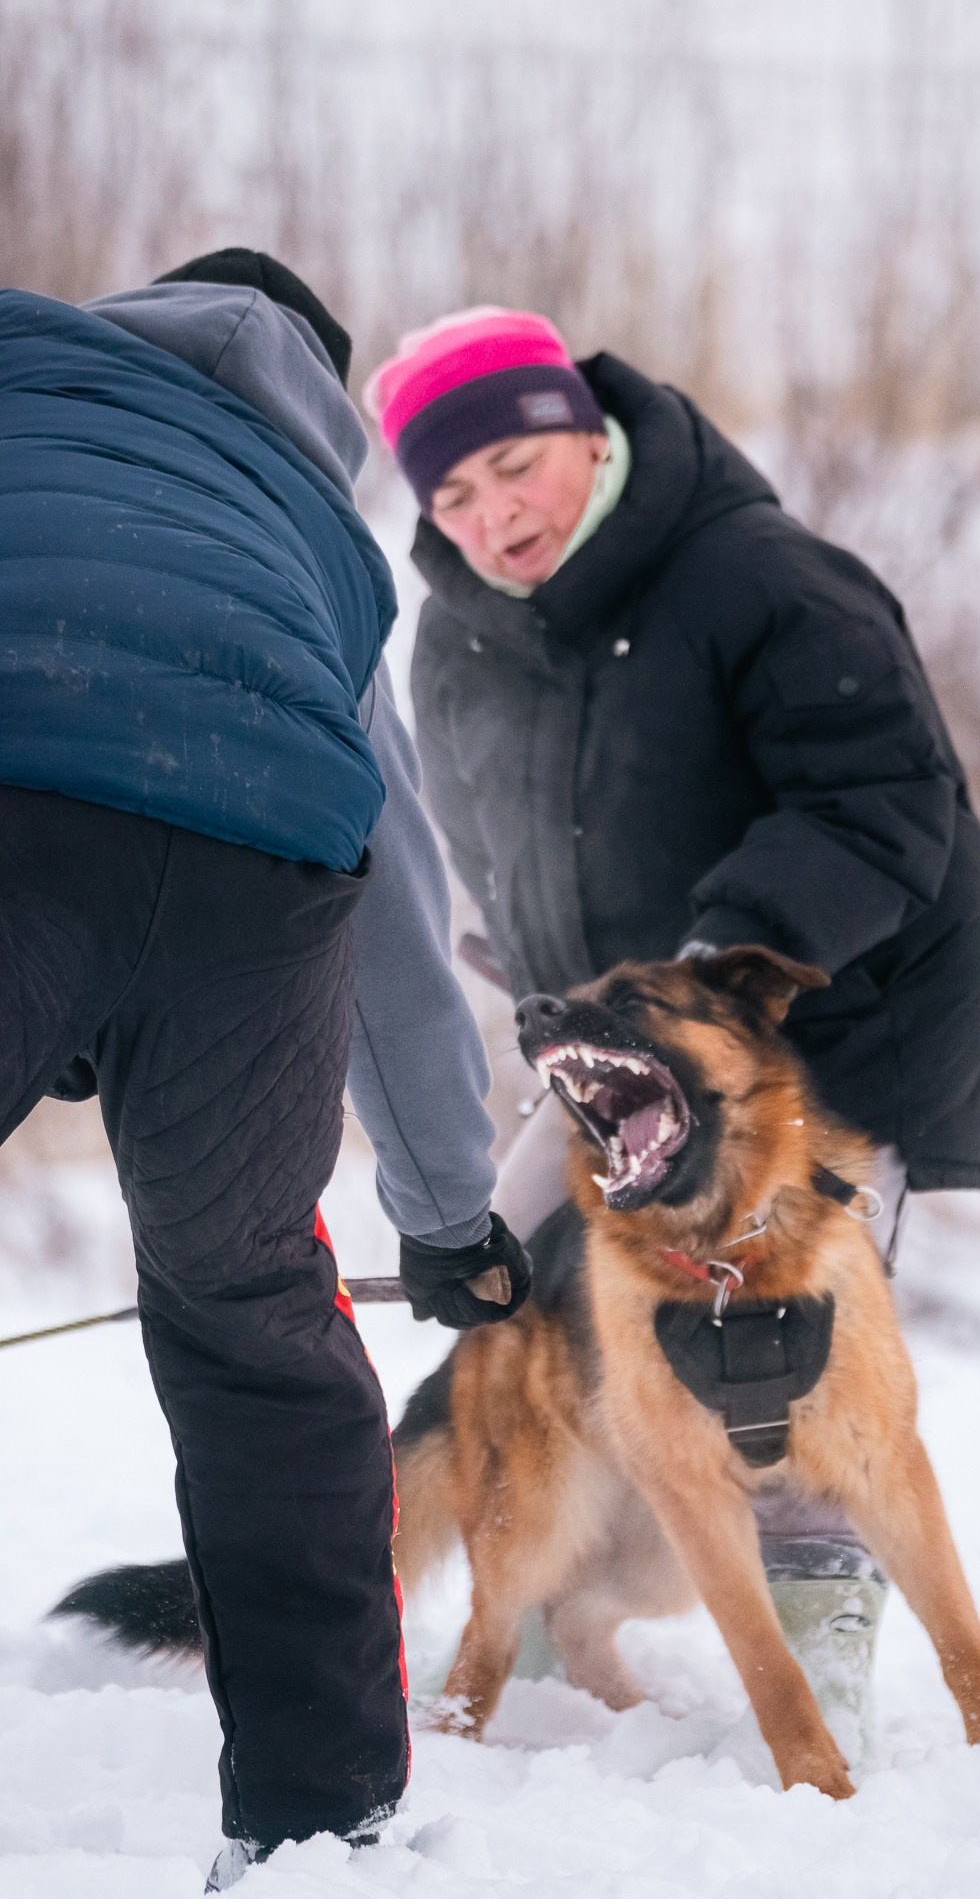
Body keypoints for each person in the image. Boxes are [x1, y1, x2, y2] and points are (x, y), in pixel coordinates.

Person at [365, 306, 980, 1691]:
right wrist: (539, 985)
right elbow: (490, 854)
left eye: (512, 468)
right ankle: (544, 1604)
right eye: (451, 495)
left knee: (781, 1352)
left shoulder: (762, 579)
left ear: (585, 437)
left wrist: (724, 958)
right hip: (622, 1060)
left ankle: (821, 1657)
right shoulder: (462, 643)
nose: (489, 516)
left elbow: (881, 803)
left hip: (834, 1032)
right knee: (506, 1294)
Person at [0, 254, 532, 1890]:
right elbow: (396, 927)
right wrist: (448, 1214)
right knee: (252, 1323)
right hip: (257, 849)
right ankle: (319, 1828)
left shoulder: (31, 378)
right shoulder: (310, 544)